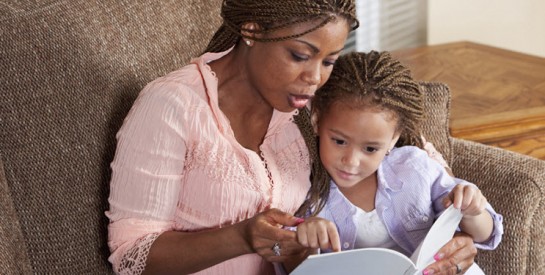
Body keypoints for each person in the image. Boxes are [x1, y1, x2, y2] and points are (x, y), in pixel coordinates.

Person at [105, 1, 480, 274]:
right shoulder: (173, 107)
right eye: (300, 55)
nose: (316, 78)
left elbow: (403, 146)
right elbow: (131, 257)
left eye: (329, 61)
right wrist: (242, 237)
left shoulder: (309, 107)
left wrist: (456, 237)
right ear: (252, 31)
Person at [293, 51, 504, 274]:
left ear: (393, 139)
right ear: (317, 121)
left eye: (370, 149)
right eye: (339, 141)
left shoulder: (414, 168)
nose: (351, 161)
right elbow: (290, 262)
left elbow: (485, 234)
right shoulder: (305, 192)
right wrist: (305, 238)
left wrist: (472, 212)